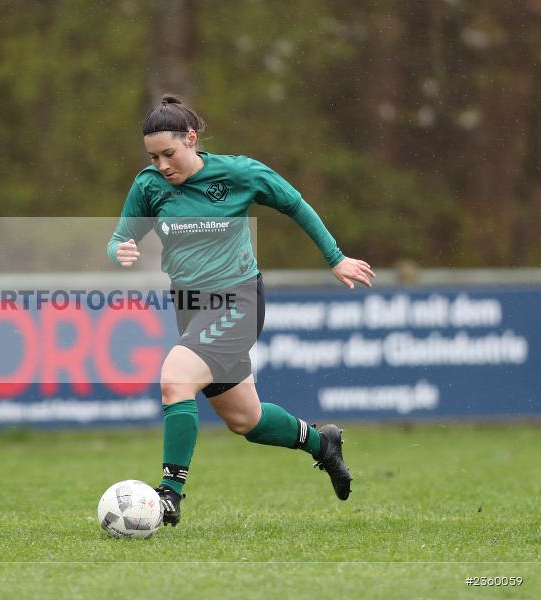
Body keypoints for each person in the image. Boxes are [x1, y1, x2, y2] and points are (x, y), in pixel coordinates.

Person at [107, 95, 375, 526]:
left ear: (191, 139)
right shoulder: (148, 186)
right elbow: (119, 236)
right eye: (153, 156)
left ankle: (169, 495)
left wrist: (335, 257)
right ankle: (322, 444)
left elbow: (295, 204)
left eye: (169, 154)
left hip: (237, 301)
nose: (162, 165)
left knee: (175, 378)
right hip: (190, 307)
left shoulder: (239, 173)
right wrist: (119, 248)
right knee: (244, 419)